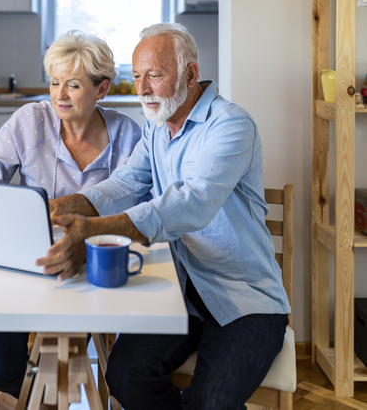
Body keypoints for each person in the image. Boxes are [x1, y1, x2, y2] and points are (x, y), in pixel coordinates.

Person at [36, 22, 290, 409]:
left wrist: (95, 228)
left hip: (245, 302)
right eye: (136, 76)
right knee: (123, 375)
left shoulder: (231, 124)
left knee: (212, 401)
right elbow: (122, 185)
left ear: (190, 74)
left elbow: (192, 202)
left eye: (154, 76)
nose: (142, 89)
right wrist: (60, 207)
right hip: (181, 296)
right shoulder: (157, 130)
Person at [0, 30, 143, 398]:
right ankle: (50, 397)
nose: (59, 94)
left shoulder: (129, 135)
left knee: (64, 360)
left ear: (101, 89)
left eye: (72, 85)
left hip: (89, 266)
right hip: (22, 260)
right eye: (54, 83)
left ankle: (57, 392)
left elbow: (140, 207)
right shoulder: (29, 121)